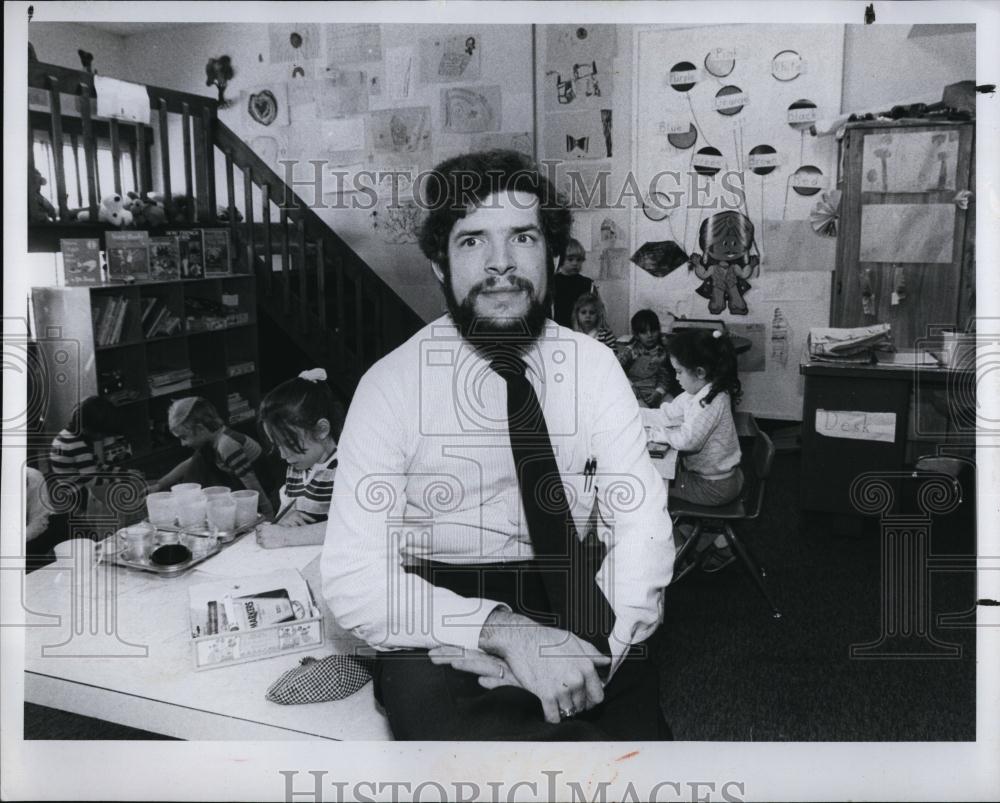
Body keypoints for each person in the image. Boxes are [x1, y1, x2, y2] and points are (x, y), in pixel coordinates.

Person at [321, 149, 674, 741]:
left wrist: (587, 652)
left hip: (582, 596)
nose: (500, 265)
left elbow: (643, 527)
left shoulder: (595, 366)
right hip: (441, 608)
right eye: (472, 241)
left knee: (630, 761)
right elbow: (354, 575)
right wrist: (506, 633)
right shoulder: (389, 387)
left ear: (554, 256)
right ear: (439, 263)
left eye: (522, 238)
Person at [652, 328, 744, 571]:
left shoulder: (710, 400)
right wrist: (643, 416)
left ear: (700, 372)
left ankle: (679, 550)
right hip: (718, 480)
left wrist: (661, 434)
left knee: (653, 489)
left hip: (715, 487)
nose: (677, 378)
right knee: (665, 479)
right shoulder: (701, 391)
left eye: (680, 372)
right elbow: (670, 412)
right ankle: (719, 541)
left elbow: (688, 441)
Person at [255, 368, 345, 549]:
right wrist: (284, 519)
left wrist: (289, 536)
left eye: (289, 444)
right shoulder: (298, 466)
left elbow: (348, 528)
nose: (283, 455)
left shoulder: (344, 469)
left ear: (321, 430)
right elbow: (283, 513)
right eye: (277, 445)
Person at [151, 396, 275, 516]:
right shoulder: (213, 440)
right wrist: (160, 484)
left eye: (184, 437)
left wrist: (268, 512)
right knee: (199, 458)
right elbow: (189, 463)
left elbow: (252, 483)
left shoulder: (226, 444)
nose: (183, 444)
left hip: (260, 485)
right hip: (238, 482)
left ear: (200, 429)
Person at [48, 395, 124, 517]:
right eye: (101, 434)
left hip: (70, 486)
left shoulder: (69, 435)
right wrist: (120, 480)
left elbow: (97, 466)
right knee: (118, 498)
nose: (102, 438)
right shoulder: (78, 446)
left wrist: (121, 472)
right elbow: (92, 481)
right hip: (78, 493)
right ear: (88, 428)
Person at [617, 309, 676, 408]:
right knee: (643, 412)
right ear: (636, 334)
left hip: (656, 393)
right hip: (636, 394)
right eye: (644, 332)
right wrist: (630, 387)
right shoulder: (630, 351)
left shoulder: (662, 352)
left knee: (672, 406)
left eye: (653, 330)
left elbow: (665, 376)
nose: (650, 335)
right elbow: (616, 369)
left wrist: (659, 392)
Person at [550, 237, 594, 327]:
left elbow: (596, 310)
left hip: (583, 330)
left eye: (579, 260)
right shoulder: (552, 282)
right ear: (561, 260)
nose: (575, 263)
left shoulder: (587, 283)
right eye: (570, 259)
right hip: (559, 329)